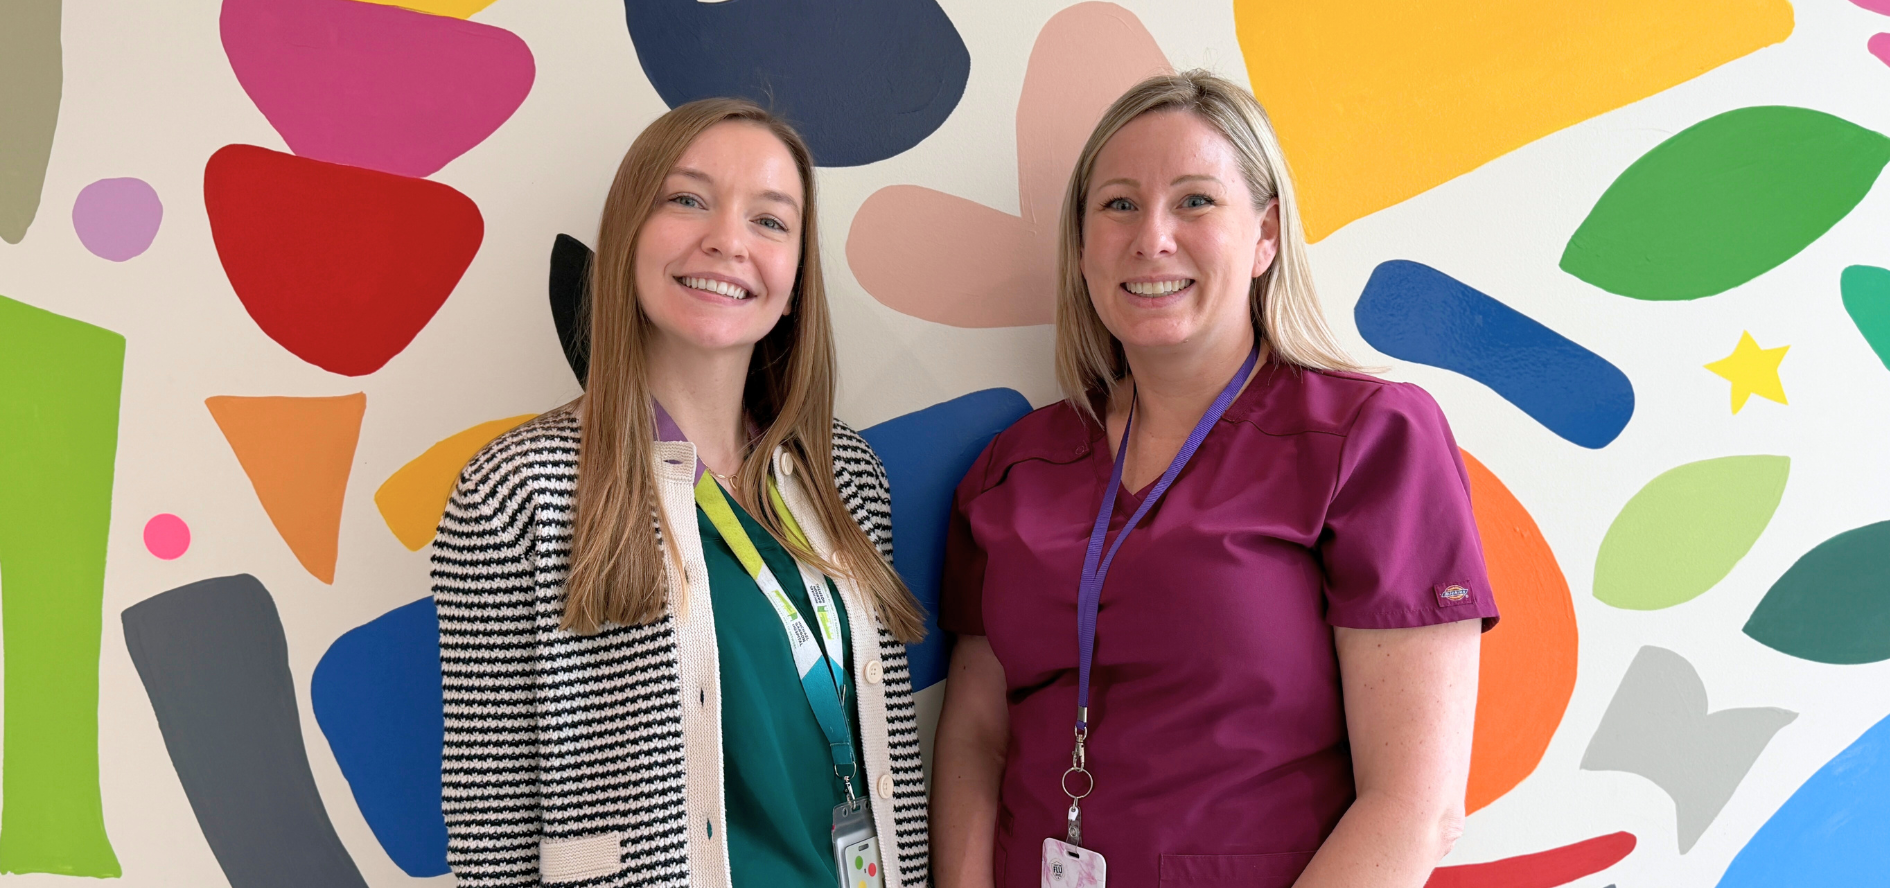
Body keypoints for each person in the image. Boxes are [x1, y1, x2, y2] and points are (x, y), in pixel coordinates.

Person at [930, 71, 1497, 888]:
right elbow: (976, 737)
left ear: (1265, 234)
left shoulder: (1370, 440)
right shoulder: (1010, 469)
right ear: (1082, 246)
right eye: (1118, 205)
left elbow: (1415, 805)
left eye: (1195, 201)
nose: (1151, 238)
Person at [432, 98, 929, 888]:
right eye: (687, 199)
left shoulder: (846, 473)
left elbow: (888, 752)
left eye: (770, 221)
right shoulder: (518, 490)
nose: (727, 239)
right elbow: (492, 824)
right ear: (627, 237)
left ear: (796, 281)